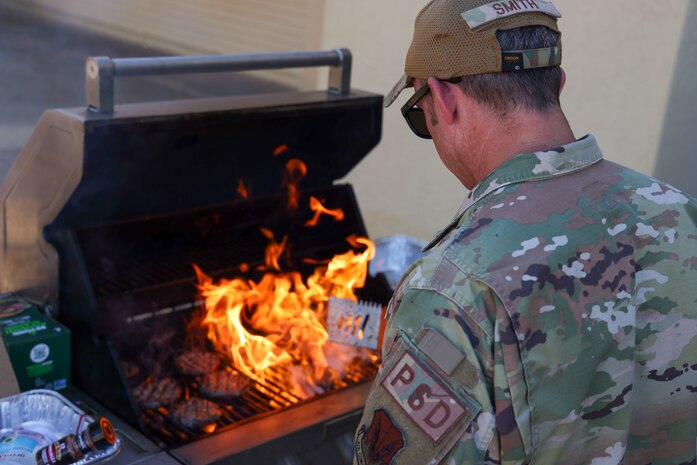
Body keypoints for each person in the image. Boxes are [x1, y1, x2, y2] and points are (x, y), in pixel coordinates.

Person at [353, 1, 697, 464]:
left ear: (445, 99)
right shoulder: (680, 213)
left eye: (420, 115)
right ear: (558, 82)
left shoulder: (454, 289)